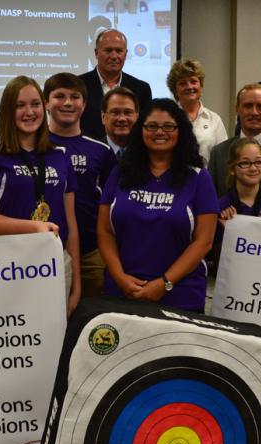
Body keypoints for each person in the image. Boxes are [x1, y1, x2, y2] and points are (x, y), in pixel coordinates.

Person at [0, 76, 81, 444]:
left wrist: (76, 285)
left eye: (36, 104)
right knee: (10, 365)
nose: (31, 112)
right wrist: (33, 227)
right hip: (6, 274)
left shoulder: (59, 153)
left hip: (55, 271)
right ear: (8, 110)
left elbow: (69, 222)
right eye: (21, 105)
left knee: (49, 368)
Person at [97, 98, 219, 312]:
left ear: (180, 130)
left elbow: (203, 242)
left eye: (168, 126)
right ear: (140, 130)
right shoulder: (120, 173)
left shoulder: (199, 178)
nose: (159, 132)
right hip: (122, 292)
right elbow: (105, 231)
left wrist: (164, 283)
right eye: (152, 126)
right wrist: (120, 278)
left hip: (181, 294)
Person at [44, 73, 116, 297]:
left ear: (84, 105)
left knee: (93, 319)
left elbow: (112, 204)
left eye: (75, 97)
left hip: (90, 253)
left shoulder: (101, 151)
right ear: (46, 102)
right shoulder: (31, 147)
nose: (67, 102)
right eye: (59, 96)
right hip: (40, 251)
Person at [214, 138, 261, 264]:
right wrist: (227, 232)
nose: (253, 168)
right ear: (232, 169)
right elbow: (213, 258)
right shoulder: (219, 209)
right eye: (245, 163)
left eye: (259, 162)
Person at [79, 29, 152, 139]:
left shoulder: (141, 89)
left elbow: (144, 129)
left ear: (126, 54)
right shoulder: (78, 85)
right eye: (108, 50)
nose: (114, 56)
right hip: (87, 153)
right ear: (96, 53)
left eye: (119, 51)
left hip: (129, 154)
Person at [166, 58, 227, 166]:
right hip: (174, 179)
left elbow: (223, 157)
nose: (189, 87)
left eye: (193, 81)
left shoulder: (214, 119)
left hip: (207, 180)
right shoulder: (167, 118)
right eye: (182, 83)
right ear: (175, 89)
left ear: (201, 85)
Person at [101, 85, 140, 159]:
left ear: (137, 117)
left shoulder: (148, 155)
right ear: (103, 117)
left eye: (128, 112)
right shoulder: (90, 153)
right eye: (115, 112)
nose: (122, 119)